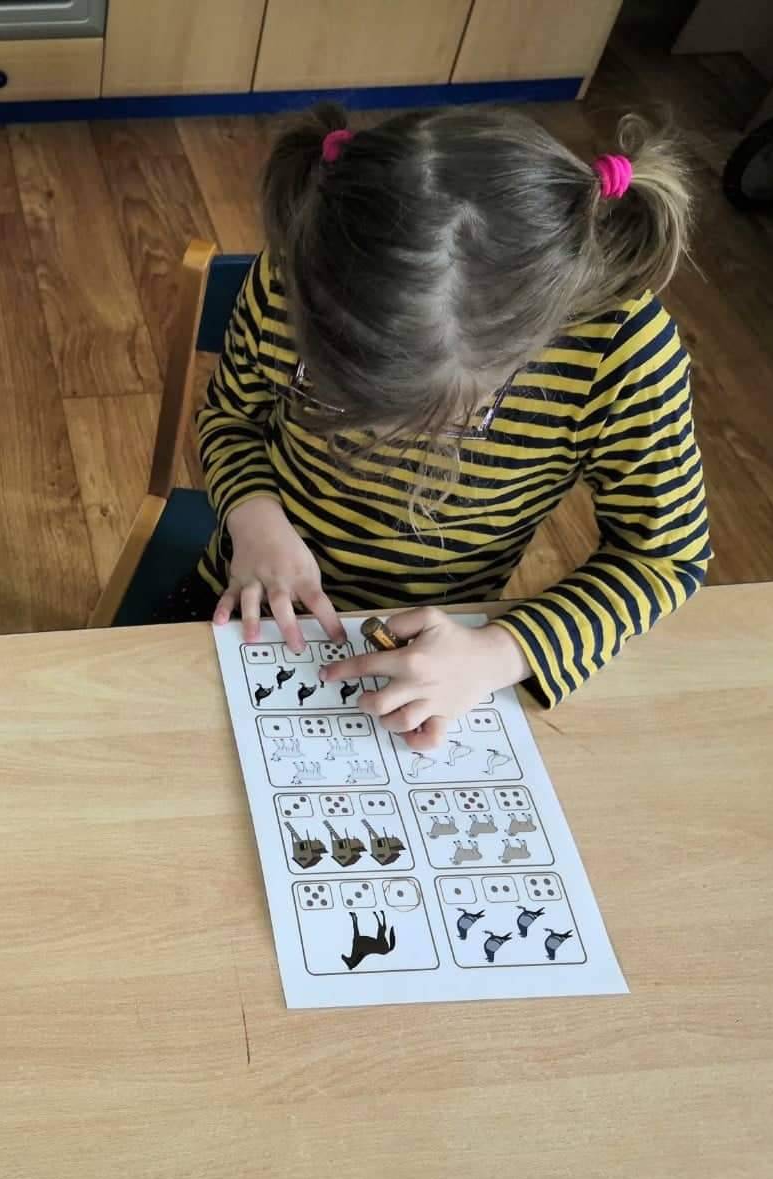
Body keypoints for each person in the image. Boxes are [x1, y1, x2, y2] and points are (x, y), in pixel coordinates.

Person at [172, 104, 708, 742]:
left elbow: (664, 557)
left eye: (442, 419)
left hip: (447, 643)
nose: (389, 443)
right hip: (248, 595)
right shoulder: (299, 272)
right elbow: (229, 416)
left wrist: (500, 652)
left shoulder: (620, 353)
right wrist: (253, 515)